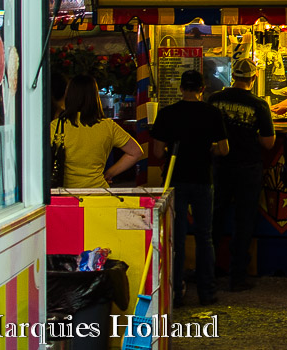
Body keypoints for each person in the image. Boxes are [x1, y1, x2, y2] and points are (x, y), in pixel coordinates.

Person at [152, 69, 228, 307]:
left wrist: (171, 152)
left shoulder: (167, 114)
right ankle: (207, 291)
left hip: (175, 179)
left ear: (181, 88)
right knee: (205, 236)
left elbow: (156, 151)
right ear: (202, 89)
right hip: (203, 178)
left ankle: (175, 292)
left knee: (178, 237)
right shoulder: (212, 113)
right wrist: (209, 150)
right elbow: (224, 149)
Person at [209, 58, 275, 292]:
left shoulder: (215, 99)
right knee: (244, 221)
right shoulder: (259, 105)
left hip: (220, 165)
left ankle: (208, 271)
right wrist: (249, 136)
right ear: (254, 78)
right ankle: (237, 277)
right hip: (248, 167)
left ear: (233, 76)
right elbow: (268, 143)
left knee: (215, 218)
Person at [52, 74, 143, 189]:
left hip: (65, 196)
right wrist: (110, 173)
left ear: (69, 95)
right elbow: (136, 152)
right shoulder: (108, 126)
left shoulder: (56, 126)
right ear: (95, 97)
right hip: (99, 193)